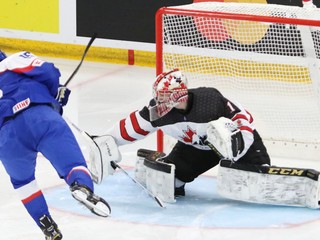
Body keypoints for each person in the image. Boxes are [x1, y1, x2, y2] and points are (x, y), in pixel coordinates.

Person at [98, 68, 271, 196]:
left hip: (236, 142)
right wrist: (107, 140)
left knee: (261, 182)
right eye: (159, 96)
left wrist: (238, 150)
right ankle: (163, 163)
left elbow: (242, 120)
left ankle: (258, 166)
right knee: (168, 184)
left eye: (164, 96)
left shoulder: (210, 101)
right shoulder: (157, 112)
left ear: (178, 95)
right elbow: (133, 125)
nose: (159, 101)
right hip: (197, 148)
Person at [0, 50, 111, 240]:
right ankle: (81, 186)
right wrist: (55, 94)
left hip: (7, 138)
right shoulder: (12, 61)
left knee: (23, 182)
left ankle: (47, 226)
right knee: (72, 163)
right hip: (38, 115)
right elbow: (49, 72)